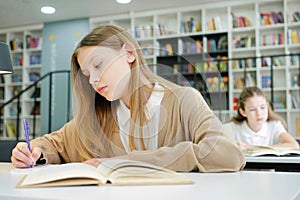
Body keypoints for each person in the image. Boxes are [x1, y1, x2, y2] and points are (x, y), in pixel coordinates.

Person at [11, 24, 245, 172]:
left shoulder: (184, 100)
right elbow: (53, 144)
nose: (93, 80)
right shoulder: (99, 115)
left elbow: (228, 155)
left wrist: (130, 161)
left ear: (129, 54)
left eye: (99, 65)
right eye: (87, 74)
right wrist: (34, 151)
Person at [224, 86, 299, 149]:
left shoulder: (274, 126)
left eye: (262, 107)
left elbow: (294, 146)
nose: (259, 113)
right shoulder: (231, 128)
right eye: (252, 109)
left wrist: (252, 148)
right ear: (243, 112)